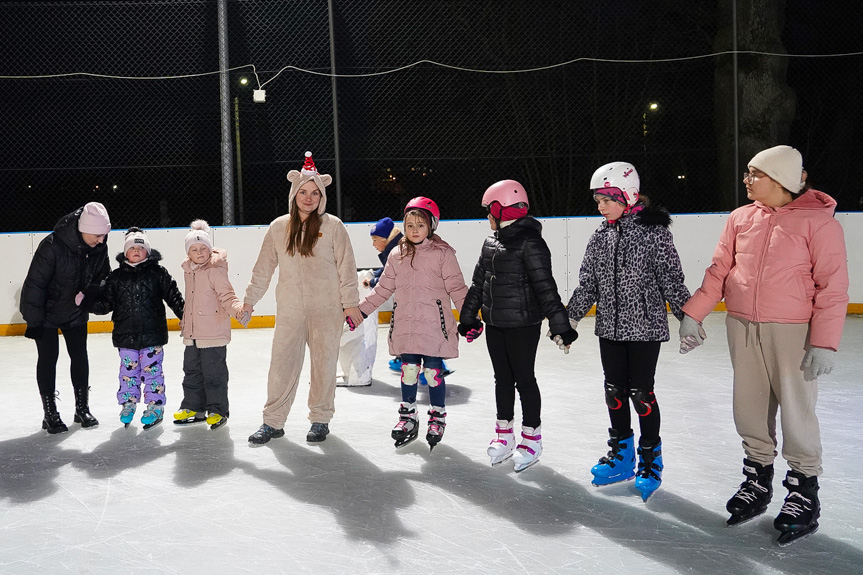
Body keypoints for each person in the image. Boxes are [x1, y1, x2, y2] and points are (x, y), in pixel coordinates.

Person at [680, 145, 849, 545]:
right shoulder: (741, 218)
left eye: (754, 174)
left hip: (793, 331)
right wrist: (695, 312)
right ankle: (757, 480)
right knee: (750, 406)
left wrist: (824, 342)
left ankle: (803, 491)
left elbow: (833, 287)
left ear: (780, 180)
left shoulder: (819, 224)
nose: (747, 180)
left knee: (795, 409)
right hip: (742, 325)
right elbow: (719, 269)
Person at [565, 162, 691, 501]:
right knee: (613, 392)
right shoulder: (600, 236)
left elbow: (671, 279)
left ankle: (650, 459)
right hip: (610, 328)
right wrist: (570, 319)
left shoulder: (654, 232)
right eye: (598, 200)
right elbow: (587, 284)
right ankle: (622, 456)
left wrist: (688, 317)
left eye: (607, 199)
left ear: (628, 195)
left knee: (641, 393)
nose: (601, 206)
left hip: (645, 328)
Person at [458, 180, 577, 472]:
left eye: (489, 211)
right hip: (495, 323)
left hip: (523, 324)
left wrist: (561, 326)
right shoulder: (490, 242)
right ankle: (504, 434)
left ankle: (532, 437)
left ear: (502, 210)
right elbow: (477, 285)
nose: (487, 217)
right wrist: (468, 317)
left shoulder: (531, 243)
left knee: (524, 380)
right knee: (502, 379)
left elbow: (545, 288)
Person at [244, 151, 361, 445]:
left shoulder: (333, 226)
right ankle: (273, 422)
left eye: (314, 193)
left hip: (327, 309)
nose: (308, 198)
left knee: (324, 364)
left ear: (321, 196)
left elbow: (347, 268)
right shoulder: (279, 227)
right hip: (291, 310)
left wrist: (350, 305)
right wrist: (249, 301)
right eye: (303, 192)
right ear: (294, 193)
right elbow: (262, 270)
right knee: (281, 364)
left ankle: (320, 419)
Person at [354, 197, 468, 451]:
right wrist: (361, 311)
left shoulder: (443, 254)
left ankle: (437, 417)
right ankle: (408, 416)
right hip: (406, 323)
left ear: (432, 226)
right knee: (408, 370)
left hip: (434, 326)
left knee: (433, 372)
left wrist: (470, 317)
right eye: (409, 225)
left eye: (420, 224)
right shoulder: (396, 254)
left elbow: (457, 288)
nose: (414, 229)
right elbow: (383, 289)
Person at [20, 202, 112, 433]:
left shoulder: (99, 247)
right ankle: (50, 414)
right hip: (47, 315)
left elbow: (104, 277)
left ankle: (82, 408)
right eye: (98, 235)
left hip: (75, 313)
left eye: (104, 235)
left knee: (80, 357)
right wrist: (33, 320)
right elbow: (35, 284)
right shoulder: (52, 246)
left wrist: (92, 292)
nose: (101, 240)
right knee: (49, 358)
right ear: (83, 228)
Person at [89, 228, 185, 429]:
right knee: (128, 373)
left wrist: (185, 316)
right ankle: (128, 403)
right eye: (132, 247)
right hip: (125, 337)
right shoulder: (115, 277)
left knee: (153, 373)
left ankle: (155, 406)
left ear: (147, 252)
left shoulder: (158, 273)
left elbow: (173, 296)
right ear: (125, 252)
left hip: (152, 335)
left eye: (140, 247)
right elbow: (106, 304)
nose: (136, 250)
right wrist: (87, 302)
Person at [172, 220, 249, 431]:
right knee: (192, 372)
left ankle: (217, 410)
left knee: (214, 374)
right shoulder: (189, 271)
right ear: (188, 253)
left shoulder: (215, 270)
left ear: (209, 249)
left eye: (203, 248)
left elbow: (227, 296)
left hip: (213, 332)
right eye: (194, 249)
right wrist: (186, 323)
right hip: (193, 334)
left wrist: (238, 310)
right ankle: (193, 407)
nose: (199, 252)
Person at [366, 216, 454, 380]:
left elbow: (394, 276)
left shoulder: (399, 249)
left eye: (375, 240)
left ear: (385, 239)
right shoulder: (394, 248)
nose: (373, 244)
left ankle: (436, 365)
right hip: (415, 298)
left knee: (420, 330)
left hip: (423, 299)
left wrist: (372, 281)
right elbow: (387, 270)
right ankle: (405, 358)